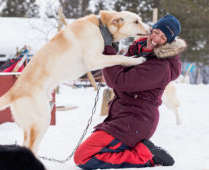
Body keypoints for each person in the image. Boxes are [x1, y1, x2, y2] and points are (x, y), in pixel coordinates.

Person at [74, 14, 186, 169]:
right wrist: (112, 47)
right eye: (156, 31)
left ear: (169, 42)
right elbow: (118, 67)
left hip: (135, 121)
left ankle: (145, 156)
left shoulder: (160, 67)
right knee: (88, 153)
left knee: (82, 157)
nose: (155, 38)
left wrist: (108, 50)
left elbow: (118, 81)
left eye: (163, 37)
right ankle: (139, 150)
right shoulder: (139, 50)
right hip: (122, 117)